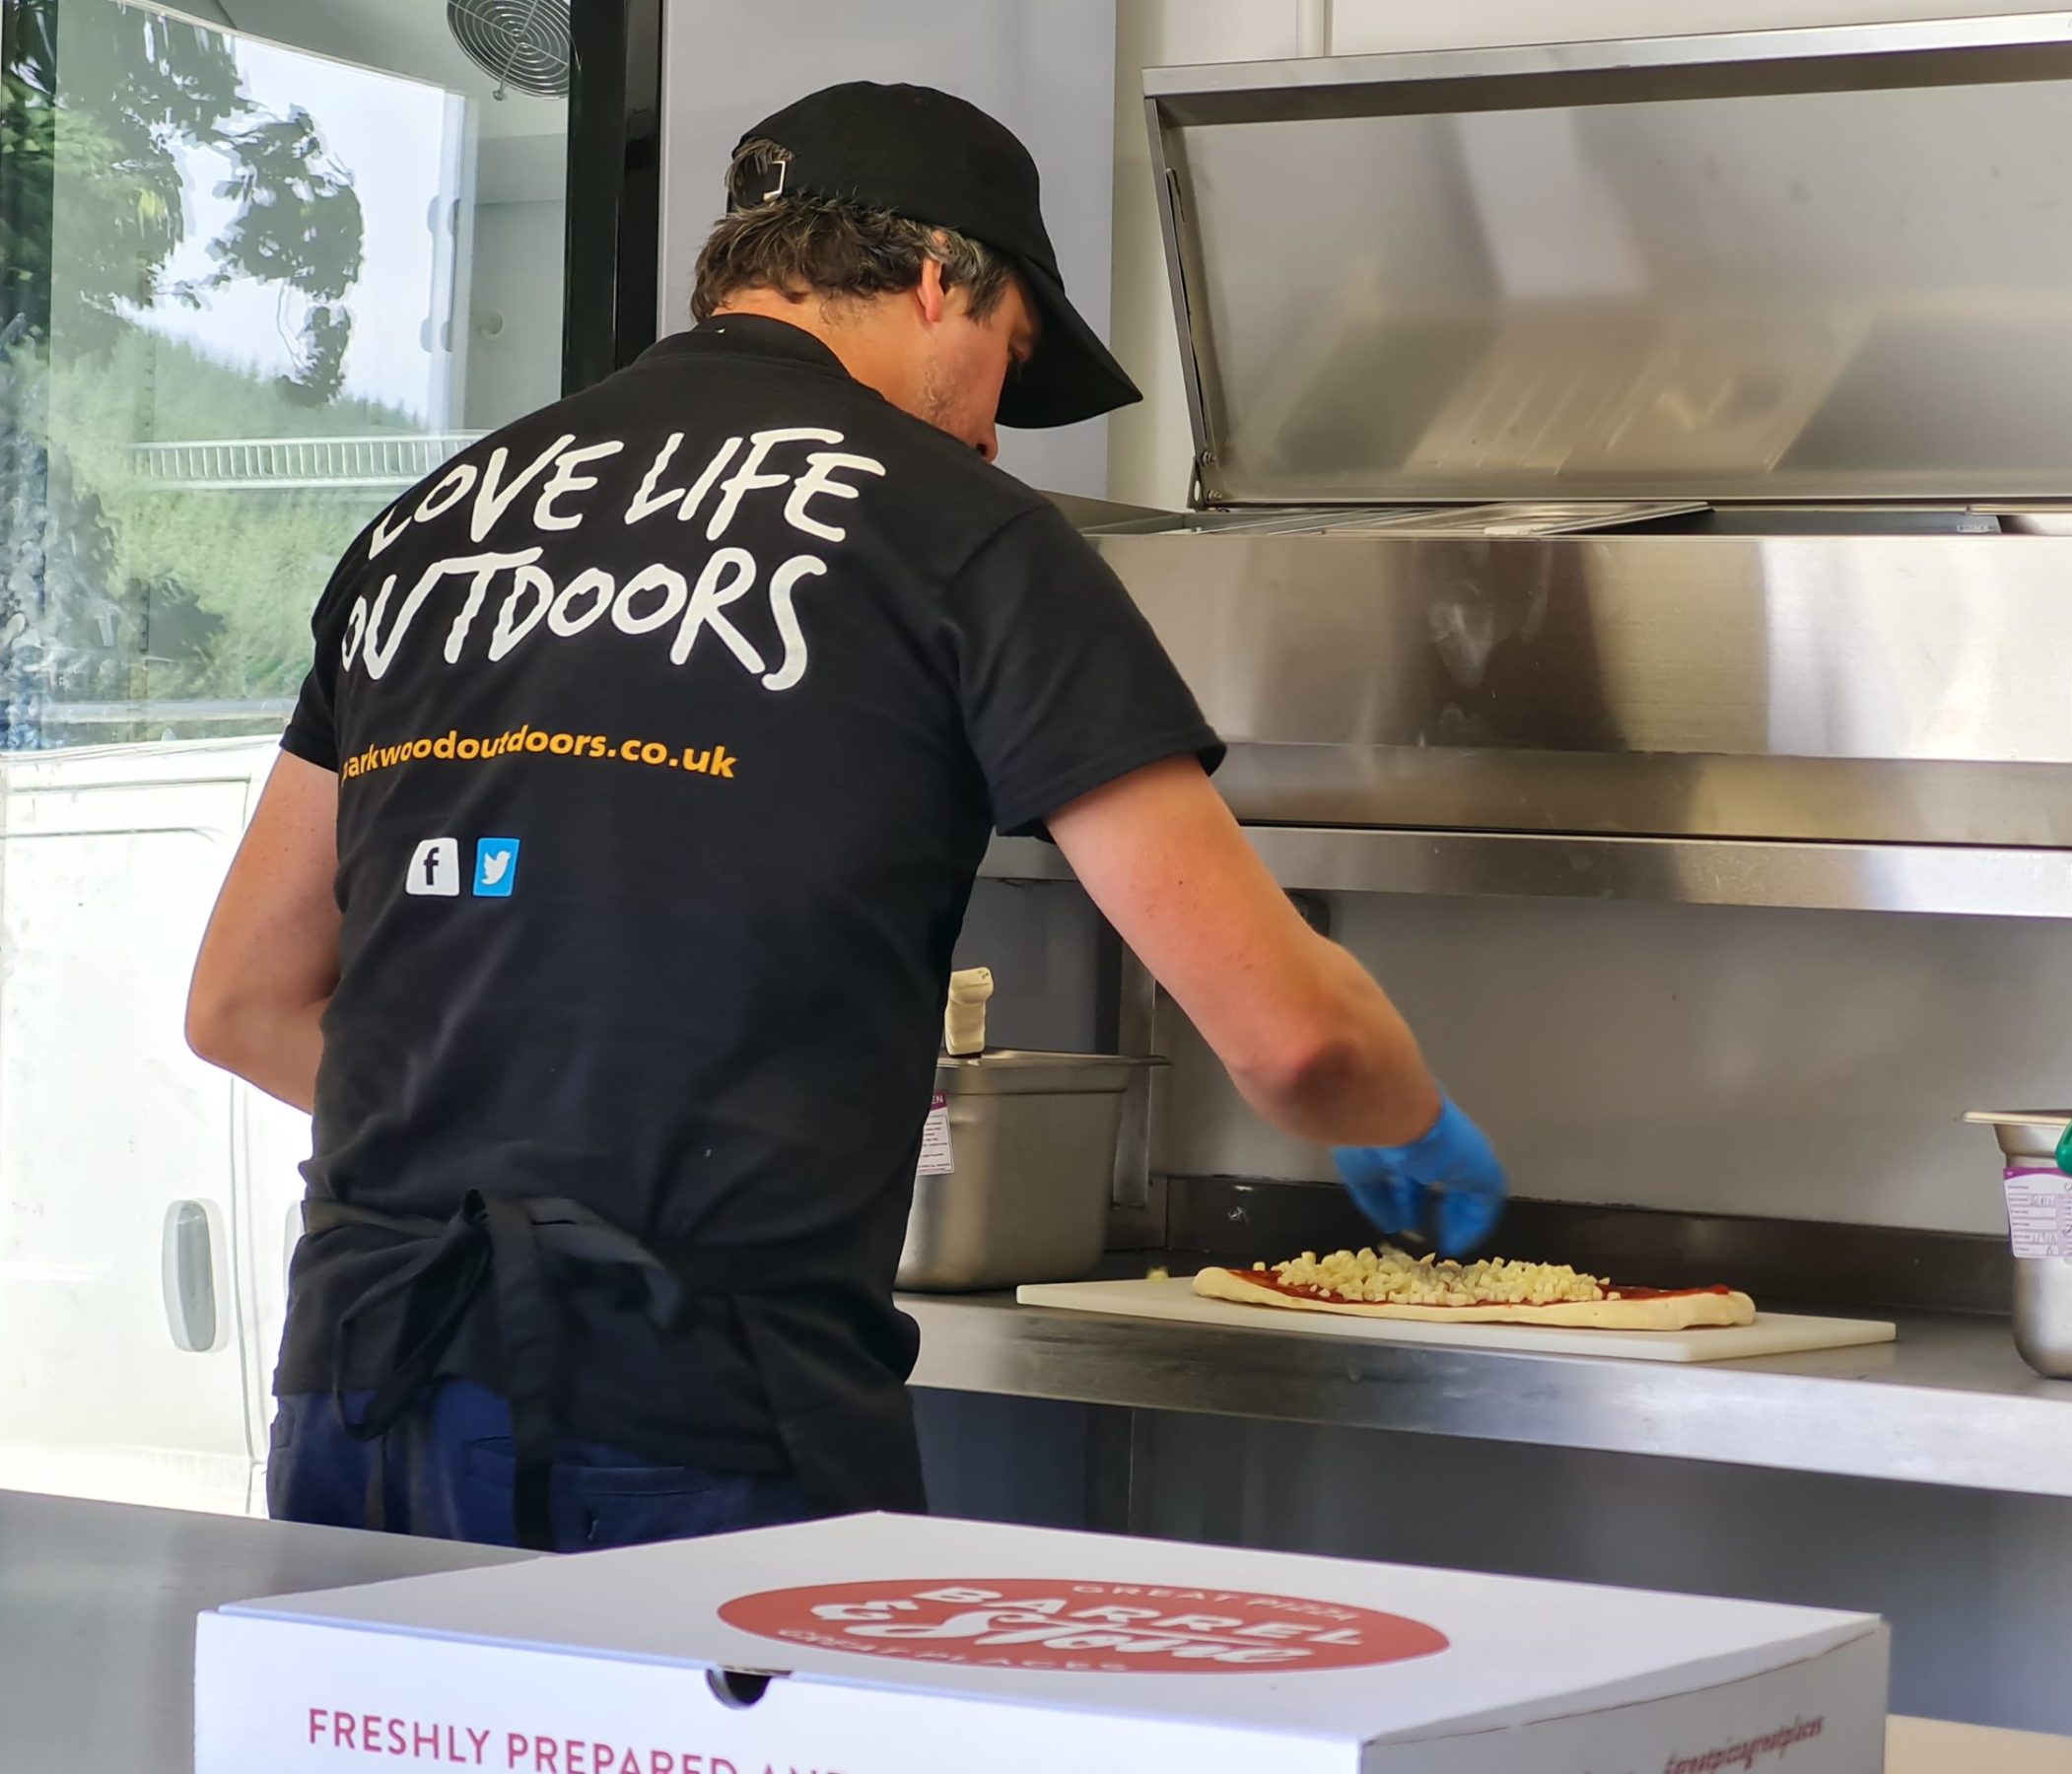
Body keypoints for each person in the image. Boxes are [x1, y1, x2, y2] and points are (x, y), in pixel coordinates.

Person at [185, 81, 1504, 1552]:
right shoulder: (958, 530)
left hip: (365, 1395)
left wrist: (522, 1155)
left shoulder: (431, 523)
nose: (999, 436)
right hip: (703, 1401)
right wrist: (1415, 1124)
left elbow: (244, 1002)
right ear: (943, 281)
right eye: (1007, 362)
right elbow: (1294, 1034)